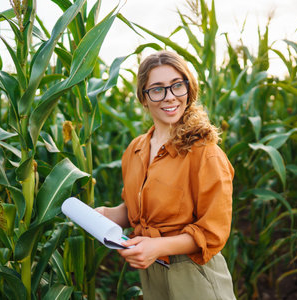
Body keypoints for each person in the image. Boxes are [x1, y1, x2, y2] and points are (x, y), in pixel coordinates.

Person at [96, 50, 236, 300]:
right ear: (143, 97)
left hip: (195, 274)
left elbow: (213, 231)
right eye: (158, 89)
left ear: (188, 90)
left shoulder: (205, 154)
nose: (170, 97)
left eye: (176, 86)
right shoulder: (136, 149)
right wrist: (103, 215)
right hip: (152, 273)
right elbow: (136, 210)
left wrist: (158, 246)